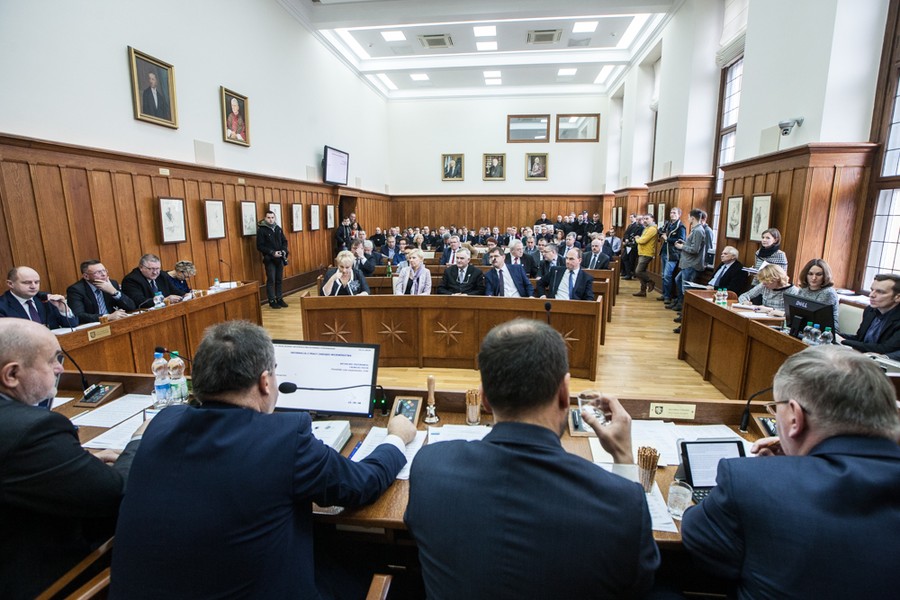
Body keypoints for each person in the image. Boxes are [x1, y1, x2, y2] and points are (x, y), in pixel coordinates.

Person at [110, 321, 416, 599]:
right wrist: (396, 438)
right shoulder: (285, 437)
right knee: (378, 569)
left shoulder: (162, 423)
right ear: (265, 382)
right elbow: (362, 485)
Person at [405, 319, 659, 599]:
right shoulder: (623, 502)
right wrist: (623, 457)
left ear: (484, 398)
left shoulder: (429, 467)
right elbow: (639, 583)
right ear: (564, 393)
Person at [681, 344, 900, 599]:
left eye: (776, 409)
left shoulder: (752, 482)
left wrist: (781, 470)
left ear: (795, 418)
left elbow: (696, 536)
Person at [0, 319, 143, 600]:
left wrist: (72, 463)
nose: (60, 369)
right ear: (12, 374)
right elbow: (116, 494)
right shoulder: (32, 430)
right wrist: (138, 442)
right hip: (45, 578)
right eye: (53, 359)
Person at [0, 266, 79, 328]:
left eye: (37, 282)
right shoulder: (2, 306)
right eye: (27, 282)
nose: (33, 286)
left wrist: (63, 309)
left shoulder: (46, 299)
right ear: (10, 284)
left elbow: (72, 325)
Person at [840, 273, 900, 355]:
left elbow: (885, 349)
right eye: (872, 290)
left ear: (898, 297)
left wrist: (843, 341)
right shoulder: (870, 310)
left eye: (880, 292)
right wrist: (835, 335)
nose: (871, 295)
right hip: (862, 356)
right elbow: (859, 338)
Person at [66, 260, 135, 323]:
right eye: (98, 272)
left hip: (114, 322)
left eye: (104, 270)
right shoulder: (76, 290)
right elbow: (78, 315)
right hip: (93, 326)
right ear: (86, 276)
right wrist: (107, 317)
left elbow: (131, 307)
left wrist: (114, 292)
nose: (104, 274)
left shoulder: (112, 284)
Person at [670, 208, 708, 313]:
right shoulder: (695, 229)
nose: (688, 219)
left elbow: (695, 250)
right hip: (687, 263)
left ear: (692, 218)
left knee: (686, 288)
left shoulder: (699, 231)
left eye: (688, 217)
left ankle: (685, 312)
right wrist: (684, 243)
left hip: (692, 264)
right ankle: (680, 304)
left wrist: (682, 247)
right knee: (678, 280)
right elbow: (692, 245)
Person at [256, 210, 289, 309]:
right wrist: (272, 252)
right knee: (271, 280)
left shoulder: (278, 228)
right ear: (265, 218)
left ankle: (279, 298)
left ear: (275, 218)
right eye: (268, 218)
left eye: (272, 217)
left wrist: (283, 250)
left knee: (279, 279)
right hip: (270, 259)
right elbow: (260, 246)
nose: (271, 220)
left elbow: (284, 241)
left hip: (280, 258)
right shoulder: (262, 230)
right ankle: (271, 300)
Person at [793, 258, 840, 328]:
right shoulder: (803, 290)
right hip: (805, 326)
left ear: (825, 276)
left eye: (818, 274)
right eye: (810, 274)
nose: (814, 278)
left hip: (825, 331)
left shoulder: (828, 293)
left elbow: (819, 319)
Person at [658, 207, 686, 304]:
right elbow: (661, 231)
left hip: (673, 254)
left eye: (674, 213)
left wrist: (667, 239)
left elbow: (681, 240)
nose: (672, 214)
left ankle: (668, 296)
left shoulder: (681, 226)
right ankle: (664, 294)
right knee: (663, 275)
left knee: (667, 275)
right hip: (664, 252)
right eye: (671, 213)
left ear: (679, 215)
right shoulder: (668, 224)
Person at [633, 214, 658, 297]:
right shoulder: (647, 228)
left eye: (647, 218)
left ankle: (651, 282)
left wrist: (637, 239)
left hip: (647, 253)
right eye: (644, 219)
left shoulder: (652, 229)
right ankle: (643, 291)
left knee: (638, 271)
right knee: (642, 271)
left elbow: (643, 240)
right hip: (642, 252)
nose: (645, 220)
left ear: (652, 219)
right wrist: (639, 238)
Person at [622, 213, 644, 280]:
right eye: (637, 219)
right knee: (625, 258)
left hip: (635, 246)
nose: (638, 221)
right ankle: (628, 273)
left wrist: (633, 238)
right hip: (629, 245)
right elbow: (627, 233)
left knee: (631, 260)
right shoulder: (633, 226)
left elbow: (638, 236)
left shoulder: (642, 228)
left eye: (639, 220)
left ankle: (629, 274)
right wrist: (626, 239)